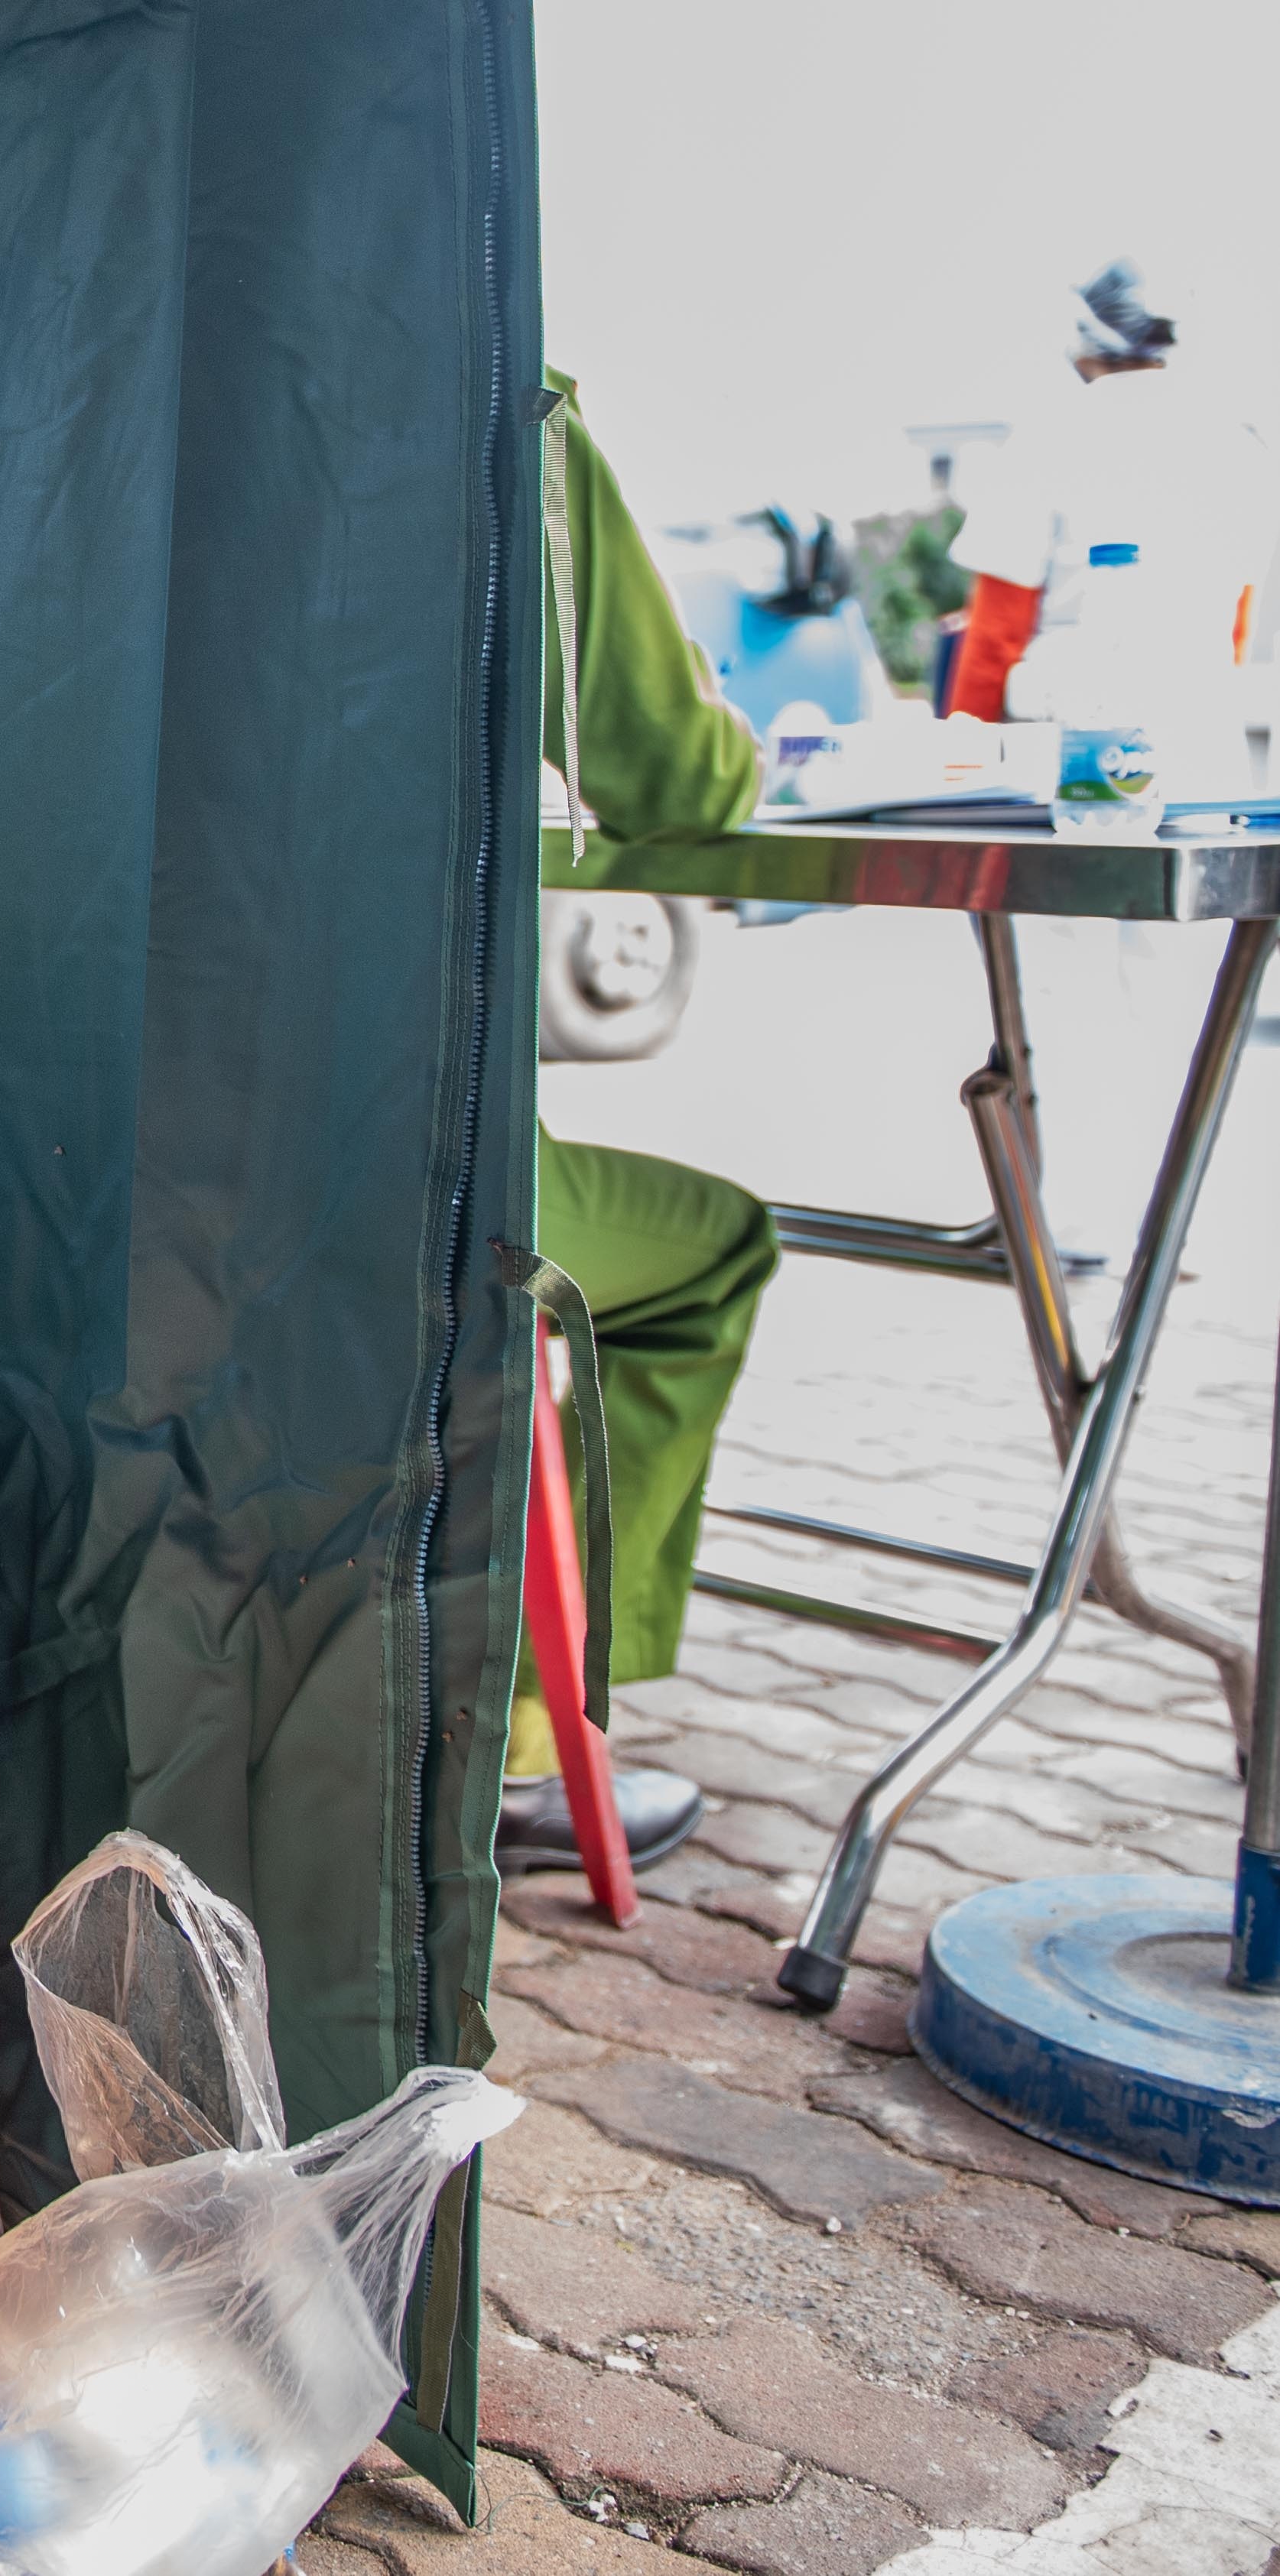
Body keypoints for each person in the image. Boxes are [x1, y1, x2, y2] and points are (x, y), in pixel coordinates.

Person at [502, 370, 781, 1874]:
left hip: (80, 1157)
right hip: (391, 1179)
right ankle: (522, 1738)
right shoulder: (497, 400)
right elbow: (676, 785)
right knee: (709, 1249)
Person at [946, 261, 1276, 727]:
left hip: (1078, 754)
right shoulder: (1243, 452)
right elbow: (1237, 624)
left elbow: (997, 635)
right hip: (1203, 742)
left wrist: (963, 767)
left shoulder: (1046, 439)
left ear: (1086, 342)